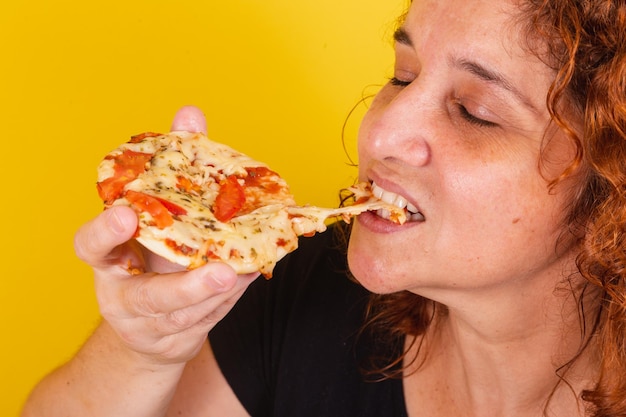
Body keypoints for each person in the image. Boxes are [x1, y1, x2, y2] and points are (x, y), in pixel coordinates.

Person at [21, 0, 626, 415]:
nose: (381, 132)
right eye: (403, 74)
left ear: (611, 187)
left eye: (475, 112)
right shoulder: (300, 288)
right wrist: (143, 351)